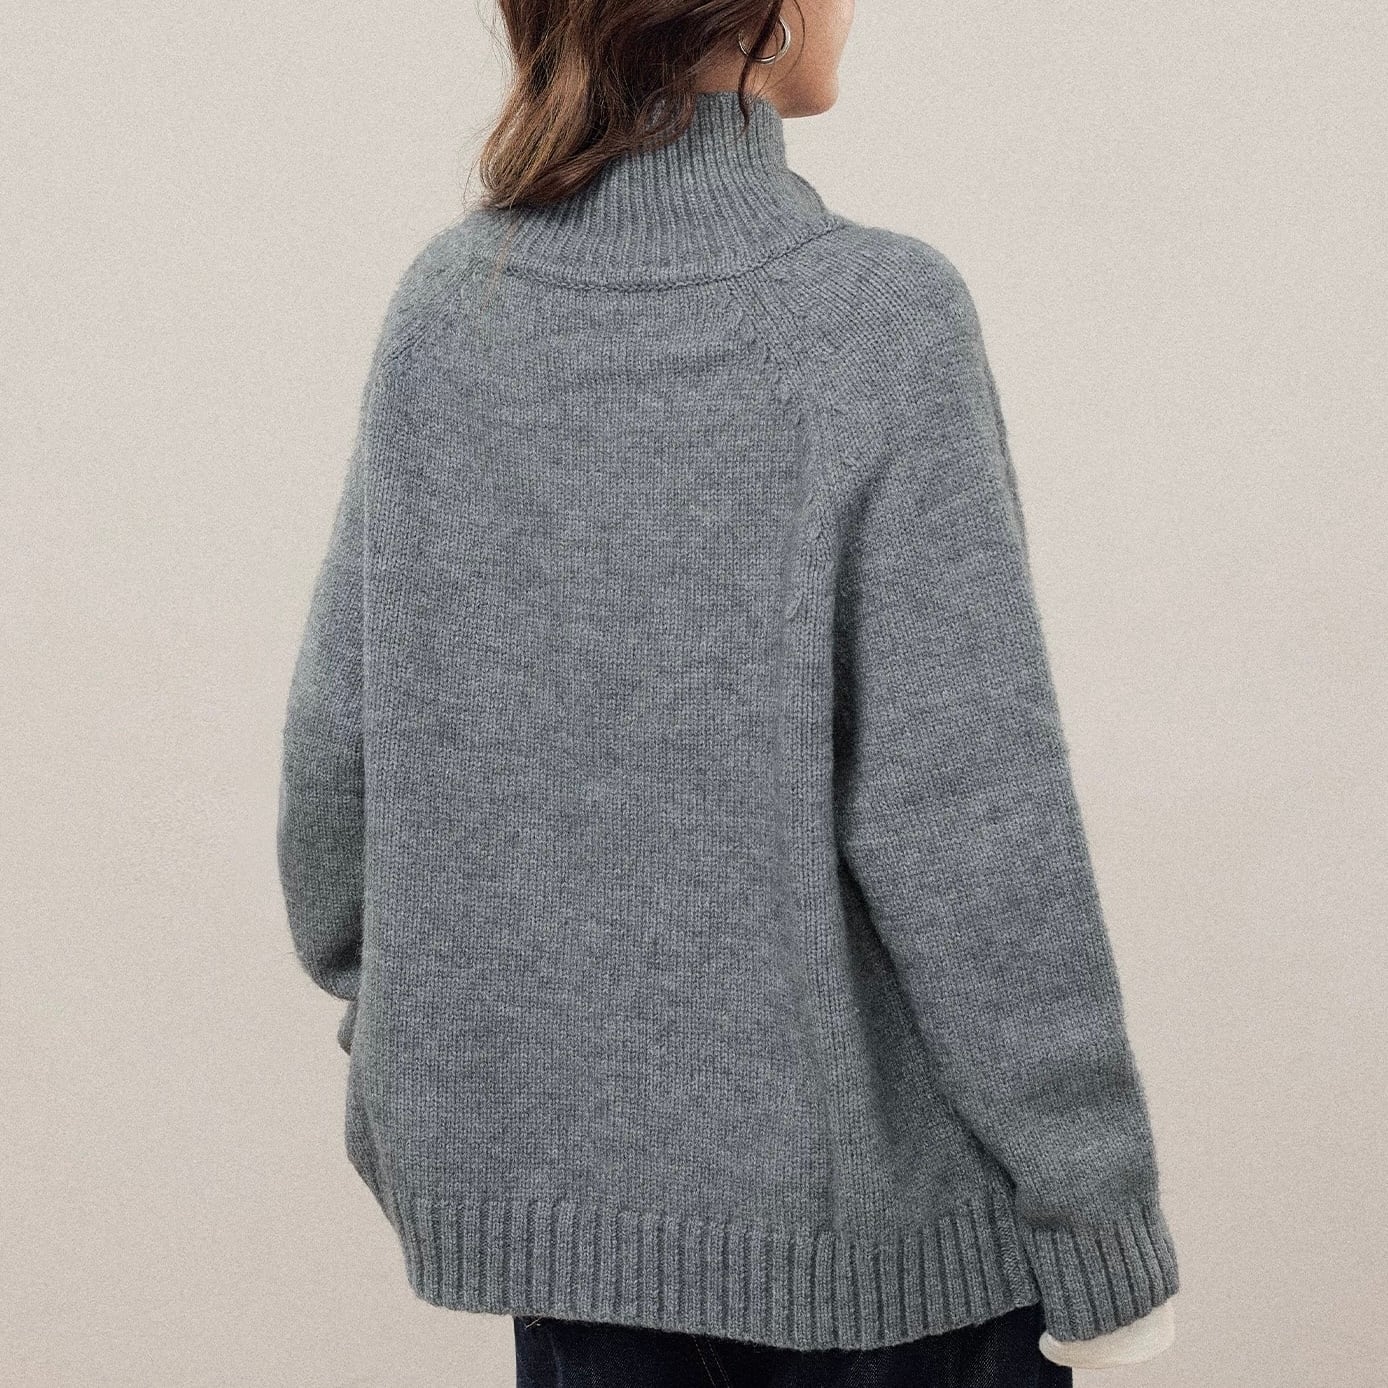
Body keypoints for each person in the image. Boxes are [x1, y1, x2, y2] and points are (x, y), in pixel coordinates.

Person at [276, 2, 1181, 1383]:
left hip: (570, 1247)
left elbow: (338, 766)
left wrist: (437, 1038)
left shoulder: (454, 308)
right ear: (765, 11)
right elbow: (968, 825)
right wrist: (1097, 1215)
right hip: (888, 1271)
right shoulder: (877, 318)